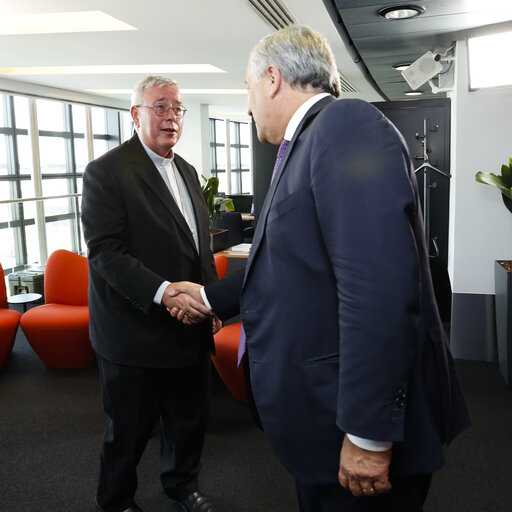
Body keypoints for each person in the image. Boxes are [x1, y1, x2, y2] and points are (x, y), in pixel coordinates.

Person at [168, 25, 470, 512]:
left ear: (271, 78)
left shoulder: (344, 126)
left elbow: (378, 291)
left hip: (350, 421)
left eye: (247, 88)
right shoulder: (309, 142)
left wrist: (369, 436)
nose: (248, 106)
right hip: (321, 418)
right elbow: (291, 262)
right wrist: (207, 297)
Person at [81, 75, 218, 512]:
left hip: (190, 328)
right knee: (129, 429)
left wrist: (213, 301)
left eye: (178, 108)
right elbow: (106, 253)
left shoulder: (188, 171)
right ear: (135, 114)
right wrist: (165, 293)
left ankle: (182, 486)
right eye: (161, 107)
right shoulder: (107, 171)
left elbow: (201, 247)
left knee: (188, 420)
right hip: (134, 330)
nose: (172, 117)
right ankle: (117, 499)